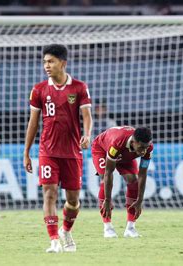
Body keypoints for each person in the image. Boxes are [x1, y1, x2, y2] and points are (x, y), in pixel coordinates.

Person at [23, 44, 92, 253]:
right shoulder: (39, 89)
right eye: (44, 61)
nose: (46, 65)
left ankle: (66, 230)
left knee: (73, 201)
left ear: (63, 63)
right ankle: (53, 240)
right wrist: (26, 152)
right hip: (48, 151)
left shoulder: (79, 87)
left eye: (51, 61)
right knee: (49, 194)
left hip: (72, 152)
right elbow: (33, 122)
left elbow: (87, 116)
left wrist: (87, 135)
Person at [91, 126, 153, 238]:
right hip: (102, 149)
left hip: (124, 155)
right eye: (141, 147)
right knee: (103, 178)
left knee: (133, 180)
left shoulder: (148, 148)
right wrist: (108, 200)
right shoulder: (117, 142)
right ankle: (108, 228)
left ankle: (130, 228)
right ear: (134, 142)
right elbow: (108, 173)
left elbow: (142, 174)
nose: (144, 151)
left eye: (146, 147)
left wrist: (139, 200)